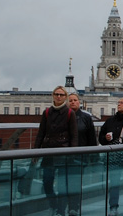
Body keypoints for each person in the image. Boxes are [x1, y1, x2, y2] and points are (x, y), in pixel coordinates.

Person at [34, 86, 78, 216]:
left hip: (64, 153)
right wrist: (35, 151)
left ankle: (60, 210)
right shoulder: (47, 112)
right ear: (53, 96)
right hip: (48, 152)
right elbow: (41, 133)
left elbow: (74, 135)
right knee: (47, 182)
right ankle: (53, 205)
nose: (58, 97)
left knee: (62, 185)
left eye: (61, 95)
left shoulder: (70, 113)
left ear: (65, 97)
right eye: (56, 94)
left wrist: (72, 153)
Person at [67, 92, 97, 216]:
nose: (73, 102)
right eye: (70, 100)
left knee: (74, 183)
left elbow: (91, 138)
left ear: (79, 102)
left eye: (75, 100)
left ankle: (74, 206)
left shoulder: (86, 117)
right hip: (62, 156)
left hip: (80, 156)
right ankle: (60, 207)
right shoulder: (62, 117)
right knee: (63, 183)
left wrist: (94, 156)